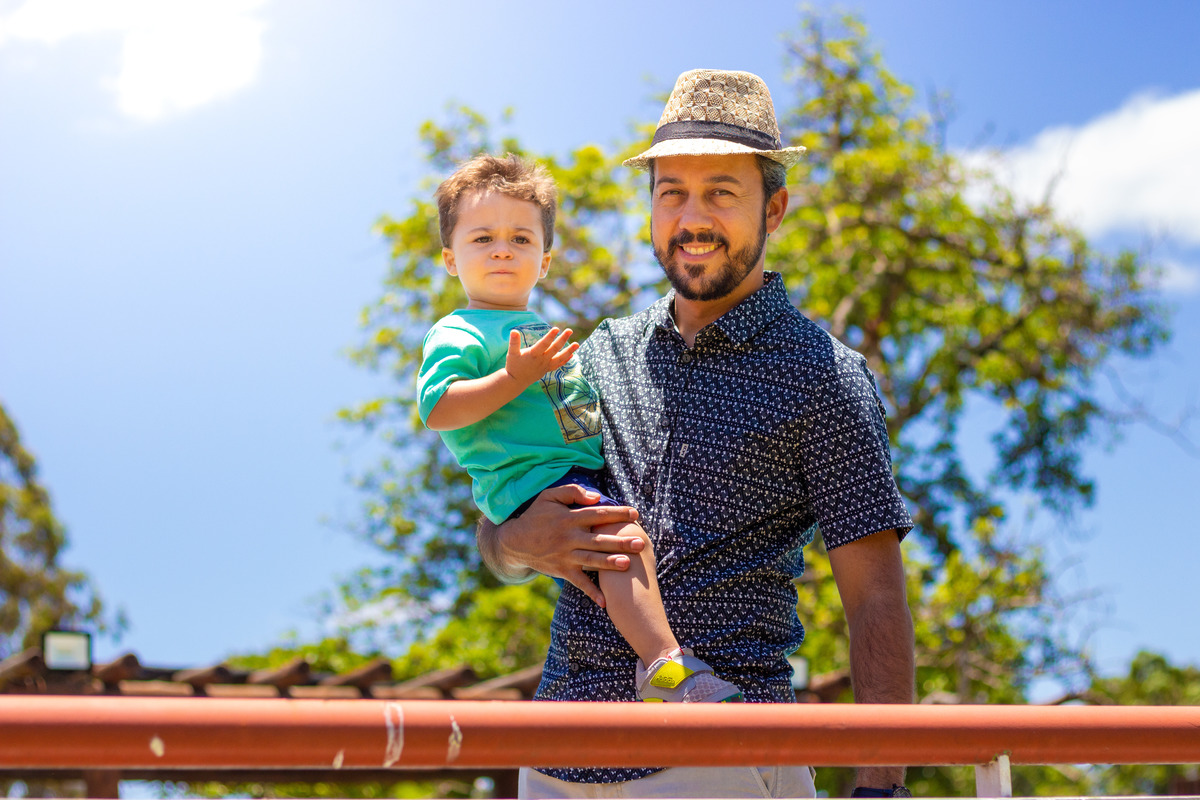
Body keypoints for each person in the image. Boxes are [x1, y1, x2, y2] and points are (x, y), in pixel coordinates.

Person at [476, 69, 917, 799]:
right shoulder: (594, 357)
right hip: (554, 755)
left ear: (774, 209)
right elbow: (499, 530)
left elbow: (874, 598)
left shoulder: (826, 378)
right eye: (671, 191)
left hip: (724, 759)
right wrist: (518, 543)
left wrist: (880, 786)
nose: (692, 216)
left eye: (721, 191)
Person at [417, 153, 744, 705]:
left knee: (612, 553)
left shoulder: (535, 326)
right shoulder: (460, 332)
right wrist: (512, 377)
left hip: (569, 474)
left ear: (545, 262)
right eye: (483, 239)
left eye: (521, 239)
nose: (502, 249)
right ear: (451, 259)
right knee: (624, 544)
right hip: (534, 482)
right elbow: (440, 408)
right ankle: (668, 668)